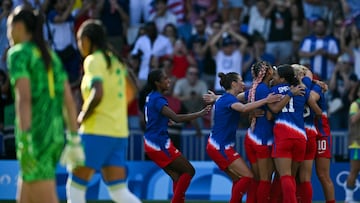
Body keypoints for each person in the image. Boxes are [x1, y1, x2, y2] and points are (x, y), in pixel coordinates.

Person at [6, 6, 84, 203]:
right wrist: (73, 138)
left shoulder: (18, 54)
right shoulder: (50, 56)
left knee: (44, 195)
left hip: (35, 136)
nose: (7, 32)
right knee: (27, 195)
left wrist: (26, 138)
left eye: (9, 26)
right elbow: (68, 99)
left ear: (19, 27)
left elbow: (24, 99)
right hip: (55, 136)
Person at [66, 19, 141, 203]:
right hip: (118, 133)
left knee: (75, 188)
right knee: (119, 192)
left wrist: (82, 115)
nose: (79, 45)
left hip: (96, 132)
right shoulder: (115, 60)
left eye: (79, 40)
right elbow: (133, 90)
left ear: (88, 39)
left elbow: (97, 93)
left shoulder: (92, 60)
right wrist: (113, 108)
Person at [206, 71, 282, 203]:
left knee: (239, 179)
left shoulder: (225, 98)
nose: (243, 83)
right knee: (248, 177)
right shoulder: (229, 99)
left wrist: (252, 111)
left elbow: (237, 108)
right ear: (233, 83)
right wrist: (266, 100)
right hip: (220, 147)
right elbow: (243, 108)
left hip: (217, 145)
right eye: (240, 81)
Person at [143, 68, 211, 203]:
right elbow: (177, 118)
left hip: (151, 142)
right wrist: (200, 113)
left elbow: (152, 115)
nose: (169, 81)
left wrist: (163, 120)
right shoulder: (158, 99)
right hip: (159, 143)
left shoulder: (150, 96)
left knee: (178, 177)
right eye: (165, 79)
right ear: (157, 83)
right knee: (189, 171)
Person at [267, 64, 322, 203]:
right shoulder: (303, 89)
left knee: (285, 176)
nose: (273, 77)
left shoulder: (274, 90)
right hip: (301, 137)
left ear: (282, 78)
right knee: (296, 177)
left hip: (283, 136)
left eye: (275, 75)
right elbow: (318, 111)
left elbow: (272, 112)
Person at [345, 82, 360, 203]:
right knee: (354, 170)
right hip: (356, 144)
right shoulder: (355, 105)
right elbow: (353, 119)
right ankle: (348, 198)